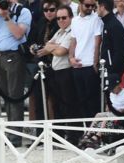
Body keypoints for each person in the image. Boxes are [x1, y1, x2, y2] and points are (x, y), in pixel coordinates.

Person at [0, 0, 32, 147]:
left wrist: (7, 17)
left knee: (14, 95)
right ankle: (9, 131)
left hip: (13, 56)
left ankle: (15, 135)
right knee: (5, 95)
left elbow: (18, 34)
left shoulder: (22, 12)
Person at [42, 5, 79, 142]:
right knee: (57, 105)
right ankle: (59, 136)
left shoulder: (71, 32)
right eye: (58, 18)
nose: (61, 20)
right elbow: (47, 45)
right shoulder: (59, 32)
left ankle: (73, 137)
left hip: (67, 71)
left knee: (69, 105)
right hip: (56, 71)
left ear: (70, 17)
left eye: (64, 18)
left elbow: (61, 52)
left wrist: (53, 47)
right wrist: (55, 47)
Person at [69, 0, 102, 120]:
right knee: (81, 102)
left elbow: (97, 41)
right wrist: (71, 58)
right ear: (80, 5)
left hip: (90, 66)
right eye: (87, 5)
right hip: (77, 66)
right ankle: (86, 133)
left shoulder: (96, 19)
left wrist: (95, 63)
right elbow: (73, 41)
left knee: (93, 103)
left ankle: (96, 135)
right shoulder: (74, 20)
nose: (90, 8)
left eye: (93, 6)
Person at [27, 0, 59, 121]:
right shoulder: (40, 22)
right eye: (46, 10)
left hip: (55, 66)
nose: (48, 13)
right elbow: (31, 40)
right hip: (40, 66)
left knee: (56, 102)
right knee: (39, 102)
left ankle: (58, 134)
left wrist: (47, 49)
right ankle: (40, 136)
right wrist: (32, 48)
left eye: (51, 10)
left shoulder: (60, 23)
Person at [97, 0, 124, 77]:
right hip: (106, 69)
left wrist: (112, 70)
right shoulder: (106, 23)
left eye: (97, 7)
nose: (96, 9)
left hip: (112, 72)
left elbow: (119, 51)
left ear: (102, 7)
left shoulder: (114, 25)